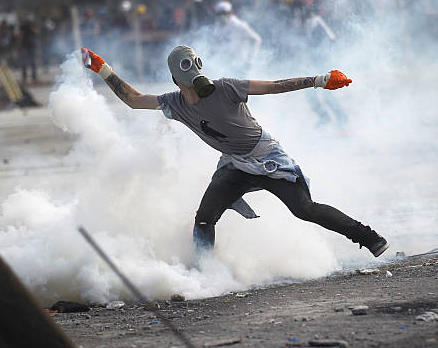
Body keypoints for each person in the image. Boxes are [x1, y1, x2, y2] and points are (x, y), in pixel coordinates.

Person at [80, 45, 389, 258]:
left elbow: (272, 86)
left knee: (304, 209)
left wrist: (318, 80)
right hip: (234, 165)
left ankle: (368, 237)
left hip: (267, 157)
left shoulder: (226, 87)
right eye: (186, 73)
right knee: (204, 219)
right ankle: (205, 274)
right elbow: (134, 100)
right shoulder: (173, 102)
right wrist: (102, 68)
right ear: (176, 79)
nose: (195, 78)